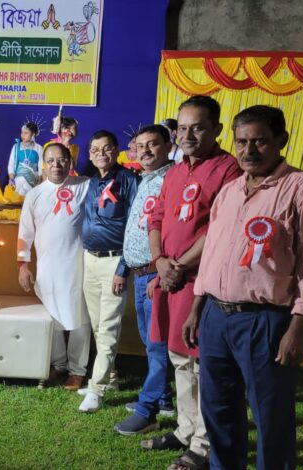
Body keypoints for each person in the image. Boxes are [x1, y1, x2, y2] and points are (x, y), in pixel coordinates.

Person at [183, 105, 303, 470]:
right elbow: (213, 253)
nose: (249, 150)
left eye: (260, 141)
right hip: (215, 317)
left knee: (271, 415)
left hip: (266, 321)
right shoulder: (230, 191)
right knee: (217, 408)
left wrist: (298, 329)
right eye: (241, 142)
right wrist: (197, 307)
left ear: (282, 140)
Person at [144, 95, 242, 470]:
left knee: (202, 362)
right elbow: (156, 218)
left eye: (197, 128)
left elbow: (221, 228)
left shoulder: (228, 169)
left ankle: (203, 443)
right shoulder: (174, 171)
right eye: (182, 128)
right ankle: (185, 430)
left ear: (217, 129)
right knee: (178, 358)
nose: (187, 135)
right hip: (171, 279)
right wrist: (160, 262)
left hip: (201, 282)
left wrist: (179, 265)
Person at [113, 125, 175, 435]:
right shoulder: (146, 180)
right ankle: (163, 399)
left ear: (169, 146)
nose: (145, 150)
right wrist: (125, 267)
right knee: (150, 343)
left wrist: (160, 272)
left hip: (155, 274)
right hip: (140, 274)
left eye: (153, 144)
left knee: (157, 345)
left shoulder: (171, 180)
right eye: (140, 146)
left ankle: (148, 409)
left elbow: (174, 232)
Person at [17, 143, 92, 391]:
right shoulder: (34, 195)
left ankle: (77, 370)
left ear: (70, 163)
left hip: (80, 265)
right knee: (52, 316)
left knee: (80, 317)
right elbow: (25, 233)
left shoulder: (84, 186)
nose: (56, 165)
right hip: (47, 266)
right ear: (43, 165)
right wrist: (23, 265)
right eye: (50, 161)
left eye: (61, 160)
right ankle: (58, 364)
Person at [77, 130, 140, 412]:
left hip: (115, 262)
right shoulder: (91, 182)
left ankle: (97, 388)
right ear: (90, 155)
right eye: (95, 150)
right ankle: (111, 377)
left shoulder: (129, 180)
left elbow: (135, 227)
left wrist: (123, 269)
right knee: (97, 325)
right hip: (90, 260)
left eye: (106, 148)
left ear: (116, 151)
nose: (100, 154)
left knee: (109, 325)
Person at [7, 121, 44, 197]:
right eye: (22, 133)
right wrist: (11, 179)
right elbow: (11, 164)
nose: (22, 135)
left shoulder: (39, 148)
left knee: (29, 195)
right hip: (18, 179)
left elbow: (41, 165)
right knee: (20, 189)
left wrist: (40, 180)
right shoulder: (16, 146)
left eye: (26, 133)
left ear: (33, 134)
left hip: (33, 179)